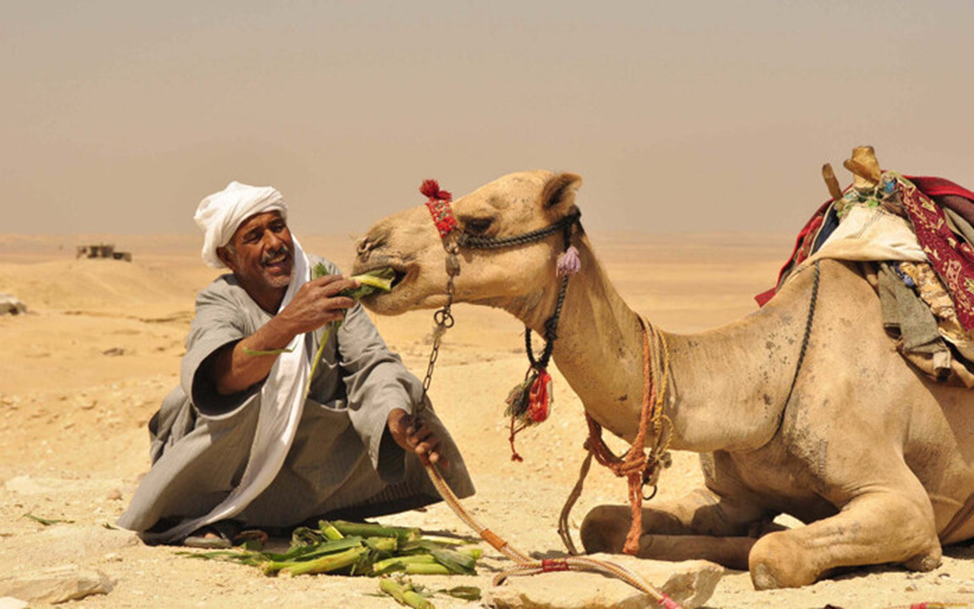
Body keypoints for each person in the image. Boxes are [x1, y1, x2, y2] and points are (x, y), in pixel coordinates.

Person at [117, 181, 474, 546]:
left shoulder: (321, 279)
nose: (273, 243)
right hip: (236, 451)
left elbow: (369, 360)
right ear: (229, 257)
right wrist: (290, 322)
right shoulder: (221, 299)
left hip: (307, 457)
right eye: (254, 236)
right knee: (254, 400)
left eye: (277, 226)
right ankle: (209, 512)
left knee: (400, 388)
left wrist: (394, 419)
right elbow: (224, 379)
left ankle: (293, 511)